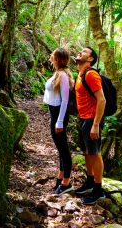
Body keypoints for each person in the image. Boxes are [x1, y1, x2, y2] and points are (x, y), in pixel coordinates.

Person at [74, 46, 106, 205]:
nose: (80, 52)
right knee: (87, 152)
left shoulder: (91, 74)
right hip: (83, 119)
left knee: (95, 152)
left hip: (92, 120)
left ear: (91, 59)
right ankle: (90, 181)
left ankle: (98, 190)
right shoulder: (80, 74)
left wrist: (96, 125)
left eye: (84, 52)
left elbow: (102, 100)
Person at [43, 48, 74, 195]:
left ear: (59, 59)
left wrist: (59, 121)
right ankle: (61, 177)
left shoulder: (62, 76)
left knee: (63, 149)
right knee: (60, 148)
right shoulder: (58, 73)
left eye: (53, 57)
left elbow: (65, 100)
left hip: (58, 115)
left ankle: (66, 183)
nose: (51, 58)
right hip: (54, 113)